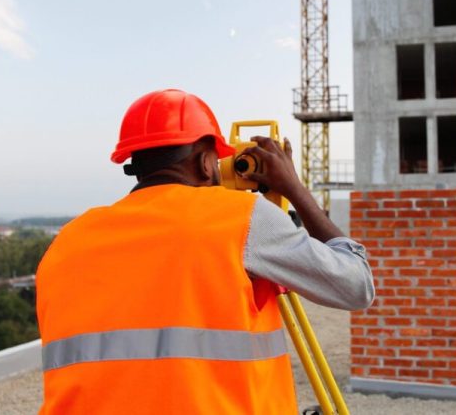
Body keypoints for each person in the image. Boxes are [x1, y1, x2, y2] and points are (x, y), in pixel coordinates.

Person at [36, 88, 374, 415]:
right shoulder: (239, 219)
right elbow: (356, 285)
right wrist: (294, 188)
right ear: (205, 163)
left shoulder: (68, 240)